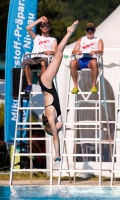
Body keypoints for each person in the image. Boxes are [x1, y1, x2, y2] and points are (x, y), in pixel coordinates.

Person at [39, 20, 79, 162]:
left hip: (46, 83)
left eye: (56, 128)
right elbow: (59, 128)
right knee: (59, 55)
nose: (59, 127)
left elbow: (55, 136)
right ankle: (68, 33)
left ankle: (69, 32)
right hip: (47, 84)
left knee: (59, 54)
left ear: (51, 127)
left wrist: (57, 153)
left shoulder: (50, 117)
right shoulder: (56, 115)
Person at [21, 16, 58, 93]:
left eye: (47, 26)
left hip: (45, 57)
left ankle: (43, 83)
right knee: (27, 63)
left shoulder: (52, 39)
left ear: (49, 28)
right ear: (40, 28)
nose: (45, 27)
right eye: (43, 26)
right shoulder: (36, 37)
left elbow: (55, 51)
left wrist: (50, 52)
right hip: (35, 57)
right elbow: (28, 28)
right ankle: (29, 85)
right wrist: (39, 20)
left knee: (43, 63)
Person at [70, 22, 104, 94]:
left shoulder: (98, 40)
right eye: (88, 29)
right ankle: (75, 86)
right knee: (73, 63)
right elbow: (73, 51)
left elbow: (101, 51)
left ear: (94, 30)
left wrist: (95, 51)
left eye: (91, 29)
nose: (90, 31)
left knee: (94, 63)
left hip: (92, 60)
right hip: (82, 59)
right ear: (86, 30)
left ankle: (94, 86)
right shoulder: (81, 39)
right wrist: (77, 52)